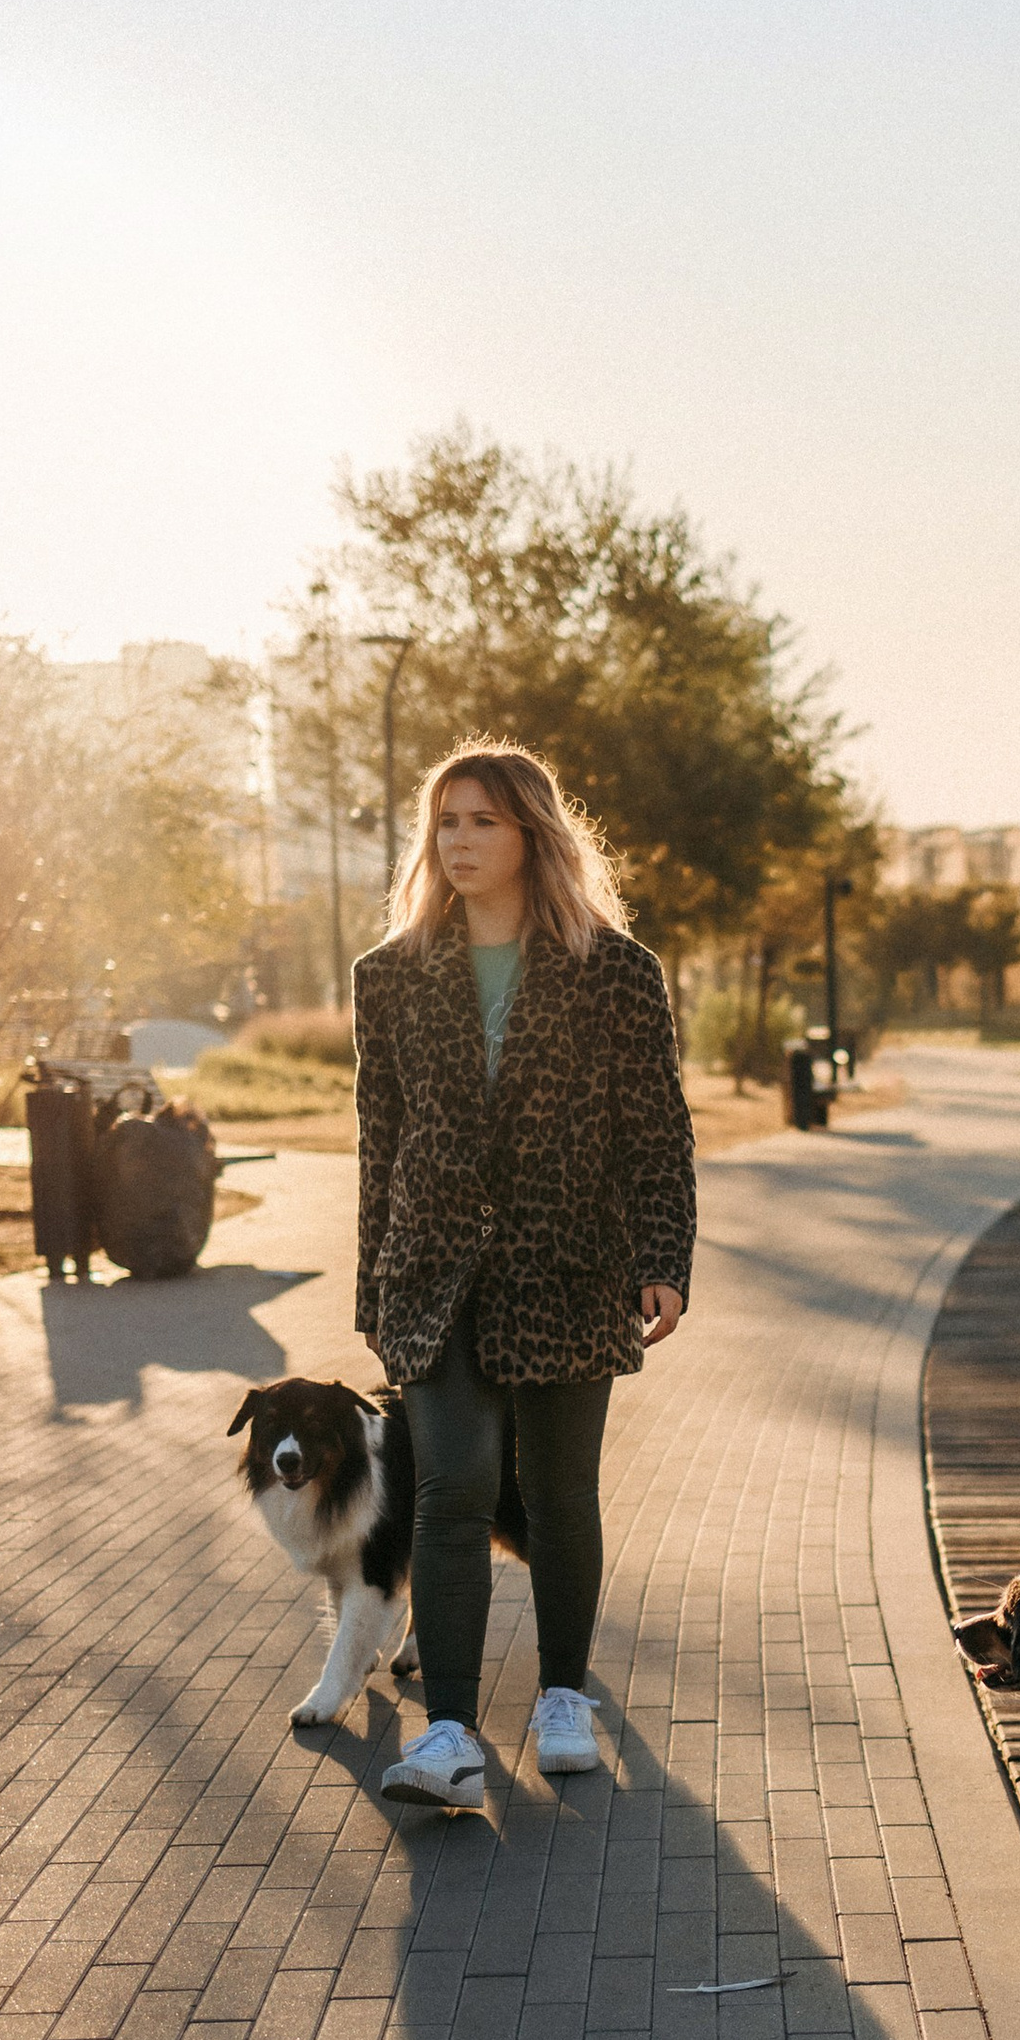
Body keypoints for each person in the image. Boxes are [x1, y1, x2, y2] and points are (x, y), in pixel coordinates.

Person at [352, 741, 695, 1808]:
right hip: (433, 1271)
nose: (458, 841)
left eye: (482, 822)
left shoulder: (616, 973)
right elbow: (380, 1136)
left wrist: (661, 1260)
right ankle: (449, 1731)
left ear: (532, 836)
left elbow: (657, 1133)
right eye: (445, 822)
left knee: (555, 1495)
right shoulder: (389, 976)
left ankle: (558, 1694)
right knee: (450, 1488)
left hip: (568, 1265)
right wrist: (375, 1282)